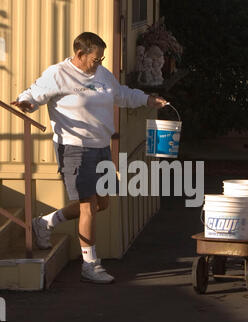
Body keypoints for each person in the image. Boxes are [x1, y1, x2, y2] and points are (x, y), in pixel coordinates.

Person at [11, 32, 167, 284]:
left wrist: (148, 99)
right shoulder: (58, 74)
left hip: (101, 146)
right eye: (95, 59)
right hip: (74, 148)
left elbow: (121, 94)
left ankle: (44, 223)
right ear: (80, 54)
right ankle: (90, 264)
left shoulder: (102, 74)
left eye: (102, 58)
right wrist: (26, 102)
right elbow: (34, 93)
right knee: (87, 207)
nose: (99, 63)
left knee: (101, 204)